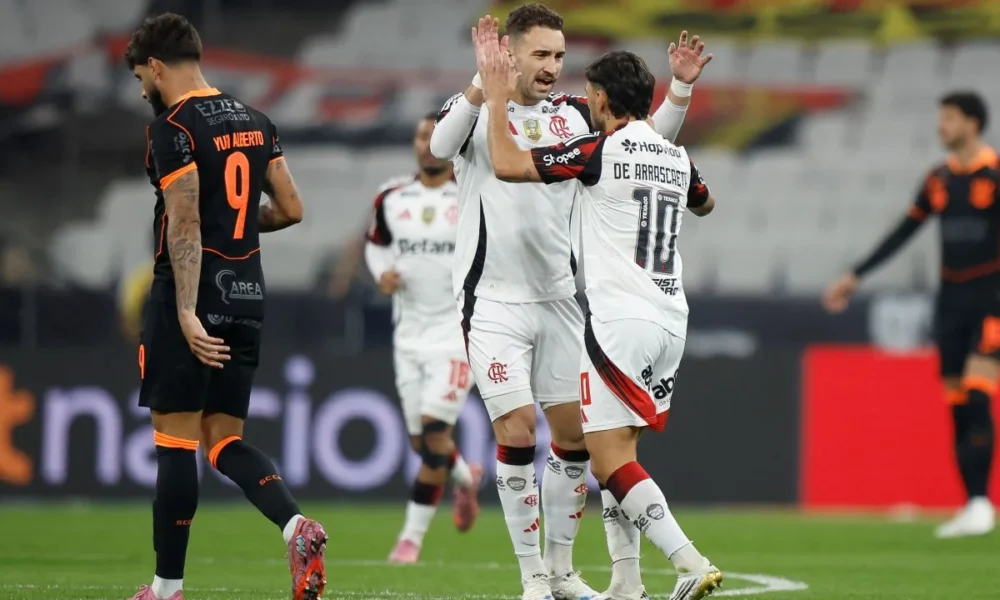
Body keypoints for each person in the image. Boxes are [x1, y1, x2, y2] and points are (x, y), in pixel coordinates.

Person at [430, 6, 711, 599]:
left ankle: (561, 572)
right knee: (516, 430)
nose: (553, 67)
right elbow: (438, 145)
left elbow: (642, 146)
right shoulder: (476, 110)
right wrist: (484, 84)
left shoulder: (576, 116)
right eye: (540, 54)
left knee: (577, 438)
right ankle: (532, 575)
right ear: (508, 54)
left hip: (559, 297)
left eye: (559, 55)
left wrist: (679, 92)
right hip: (492, 300)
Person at [123, 13, 326, 600]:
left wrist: (186, 311)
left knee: (175, 443)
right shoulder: (257, 120)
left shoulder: (172, 128)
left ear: (156, 66)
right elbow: (290, 208)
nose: (142, 89)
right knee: (223, 439)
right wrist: (232, 226)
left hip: (190, 297)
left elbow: (185, 221)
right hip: (247, 295)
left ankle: (166, 589)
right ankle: (295, 525)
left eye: (140, 77)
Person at [824, 92, 998, 539]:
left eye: (950, 118)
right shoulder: (939, 180)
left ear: (973, 124)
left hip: (991, 305)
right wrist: (856, 275)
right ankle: (973, 504)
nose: (941, 126)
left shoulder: (995, 176)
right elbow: (904, 231)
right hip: (950, 305)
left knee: (979, 396)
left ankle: (982, 505)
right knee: (958, 406)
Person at [366, 113, 485, 563]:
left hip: (456, 335)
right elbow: (376, 243)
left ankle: (410, 540)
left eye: (434, 134)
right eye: (420, 135)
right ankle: (466, 479)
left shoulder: (471, 194)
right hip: (408, 335)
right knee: (422, 442)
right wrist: (381, 273)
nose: (426, 142)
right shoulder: (391, 196)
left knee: (435, 431)